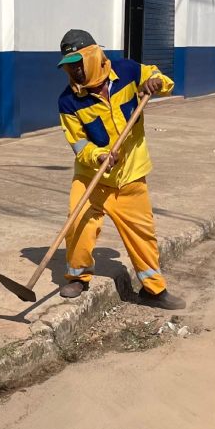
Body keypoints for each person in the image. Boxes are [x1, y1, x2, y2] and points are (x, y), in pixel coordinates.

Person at [55, 29, 185, 310]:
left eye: (78, 63)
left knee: (142, 234)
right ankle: (78, 277)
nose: (75, 71)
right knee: (78, 225)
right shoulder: (68, 101)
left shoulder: (127, 71)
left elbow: (162, 79)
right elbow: (79, 145)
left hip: (130, 175)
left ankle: (154, 290)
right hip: (92, 177)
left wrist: (155, 82)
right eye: (69, 66)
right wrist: (98, 156)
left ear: (93, 56)